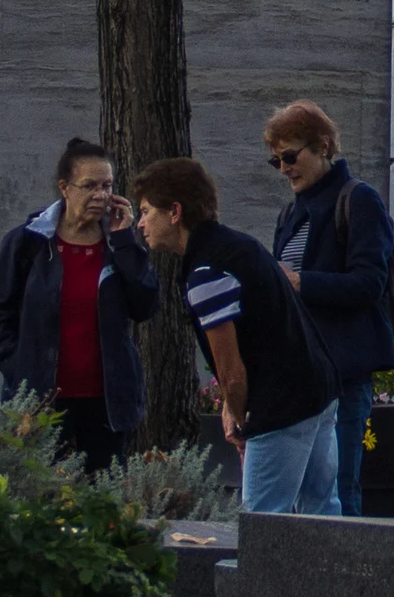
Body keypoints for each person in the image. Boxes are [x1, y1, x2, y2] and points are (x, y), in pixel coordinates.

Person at [132, 154, 341, 513]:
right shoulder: (237, 244)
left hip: (282, 405)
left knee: (262, 522)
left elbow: (231, 371)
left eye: (147, 210)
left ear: (175, 212)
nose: (140, 223)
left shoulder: (206, 271)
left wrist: (240, 419)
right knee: (322, 514)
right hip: (318, 388)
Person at [0, 138, 161, 473]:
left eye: (107, 186)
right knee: (37, 495)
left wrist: (123, 240)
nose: (101, 195)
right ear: (65, 188)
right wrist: (20, 367)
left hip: (105, 403)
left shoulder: (117, 245)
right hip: (39, 401)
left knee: (103, 502)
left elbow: (145, 305)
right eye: (89, 186)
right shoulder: (27, 243)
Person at [264, 100, 394, 513]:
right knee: (300, 494)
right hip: (300, 375)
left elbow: (369, 283)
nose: (285, 168)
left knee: (337, 489)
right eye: (276, 161)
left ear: (323, 146)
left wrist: (301, 282)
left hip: (342, 373)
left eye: (291, 156)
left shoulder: (358, 200)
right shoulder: (289, 213)